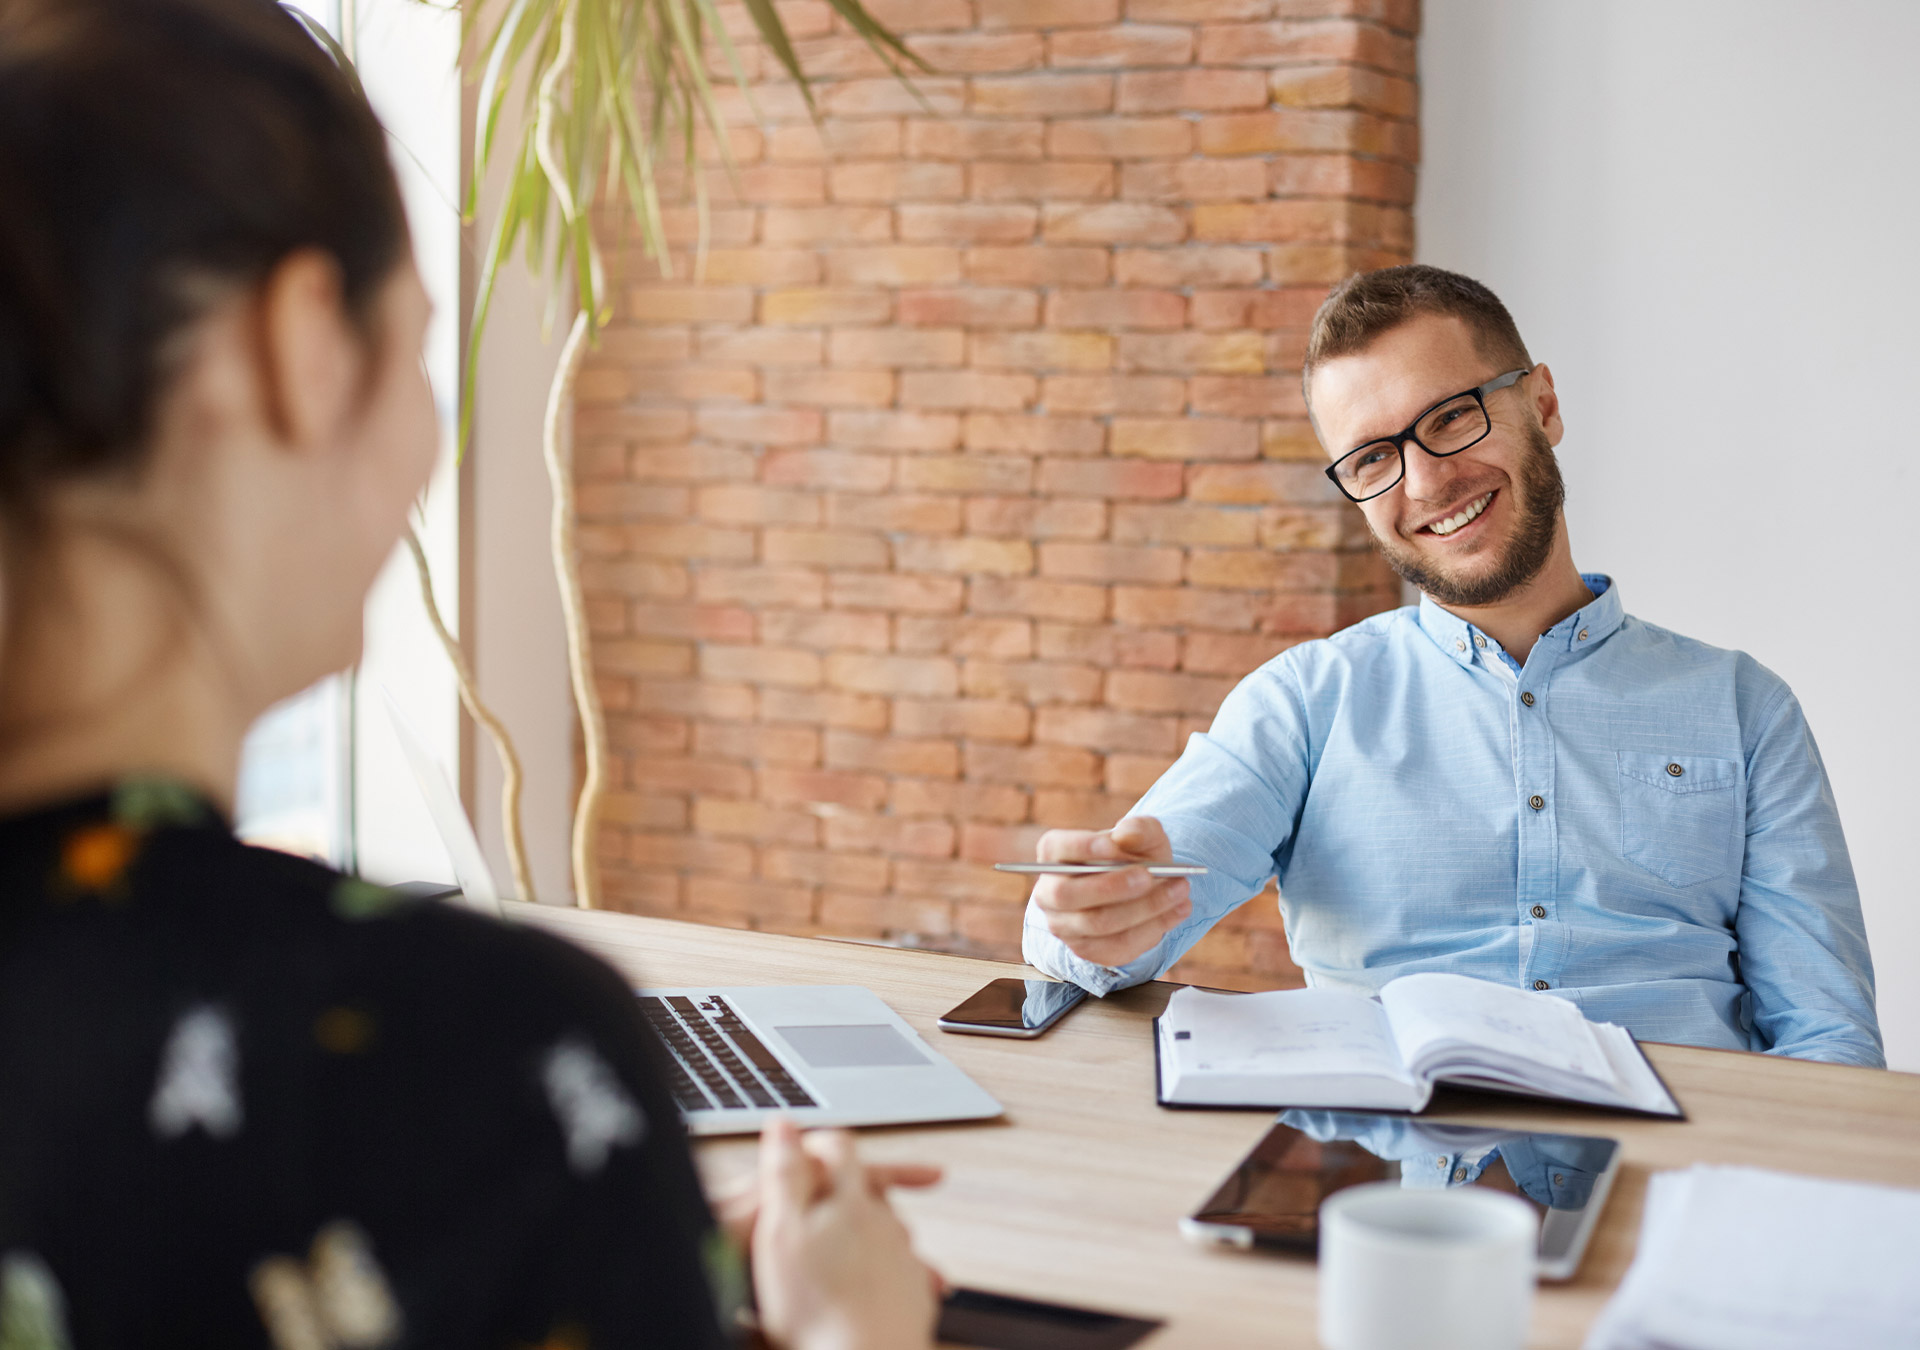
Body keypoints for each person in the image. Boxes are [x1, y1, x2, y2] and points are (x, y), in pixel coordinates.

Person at [0, 0, 939, 1345]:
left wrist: (595, 1249)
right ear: (301, 344)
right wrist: (855, 1325)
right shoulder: (464, 1059)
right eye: (420, 341)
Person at [1022, 264, 1882, 1069]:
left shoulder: (1743, 707)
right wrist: (1088, 918)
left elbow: (1827, 1035)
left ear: (1541, 405)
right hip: (1398, 1187)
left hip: (1678, 1182)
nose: (1427, 481)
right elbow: (1112, 918)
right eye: (1371, 459)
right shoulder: (1305, 704)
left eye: (1450, 417)